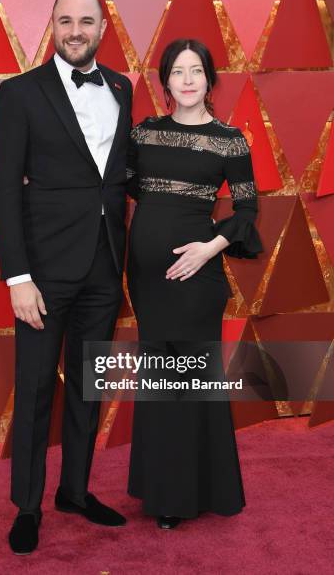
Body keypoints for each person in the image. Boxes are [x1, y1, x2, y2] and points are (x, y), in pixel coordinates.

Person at [0, 0, 133, 554]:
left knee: (88, 389)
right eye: (66, 20)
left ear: (103, 25)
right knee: (35, 390)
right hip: (44, 274)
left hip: (105, 264)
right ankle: (27, 505)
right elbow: (4, 190)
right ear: (52, 24)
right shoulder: (20, 93)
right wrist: (17, 278)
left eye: (87, 21)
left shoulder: (121, 86)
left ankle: (74, 490)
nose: (76, 30)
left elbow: (122, 176)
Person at [125, 38, 263, 529]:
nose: (187, 79)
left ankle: (185, 496)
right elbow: (116, 186)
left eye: (196, 71)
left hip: (196, 276)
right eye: (178, 71)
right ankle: (160, 489)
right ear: (165, 82)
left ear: (209, 80)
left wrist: (208, 249)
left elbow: (247, 210)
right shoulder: (143, 135)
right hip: (145, 279)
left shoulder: (230, 141)